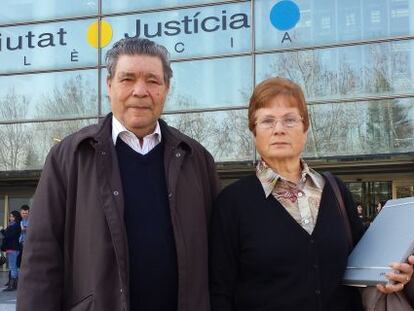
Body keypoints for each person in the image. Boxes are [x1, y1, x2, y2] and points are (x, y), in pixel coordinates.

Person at [17, 37, 220, 311]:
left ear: (167, 88)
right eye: (127, 79)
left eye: (152, 80)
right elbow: (41, 258)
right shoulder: (70, 156)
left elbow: (221, 256)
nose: (140, 91)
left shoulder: (197, 160)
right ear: (109, 85)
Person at [209, 77, 414, 311]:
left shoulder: (335, 190)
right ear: (254, 133)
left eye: (290, 120)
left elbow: (367, 265)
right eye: (267, 121)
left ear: (305, 129)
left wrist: (394, 275)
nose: (279, 129)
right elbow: (220, 291)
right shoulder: (232, 202)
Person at [1, 210, 22, 291]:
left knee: (13, 267)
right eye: (10, 216)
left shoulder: (15, 226)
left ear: (16, 217)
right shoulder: (13, 225)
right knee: (13, 267)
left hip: (13, 249)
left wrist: (2, 230)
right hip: (12, 248)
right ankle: (13, 284)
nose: (10, 218)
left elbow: (8, 235)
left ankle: (12, 286)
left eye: (12, 216)